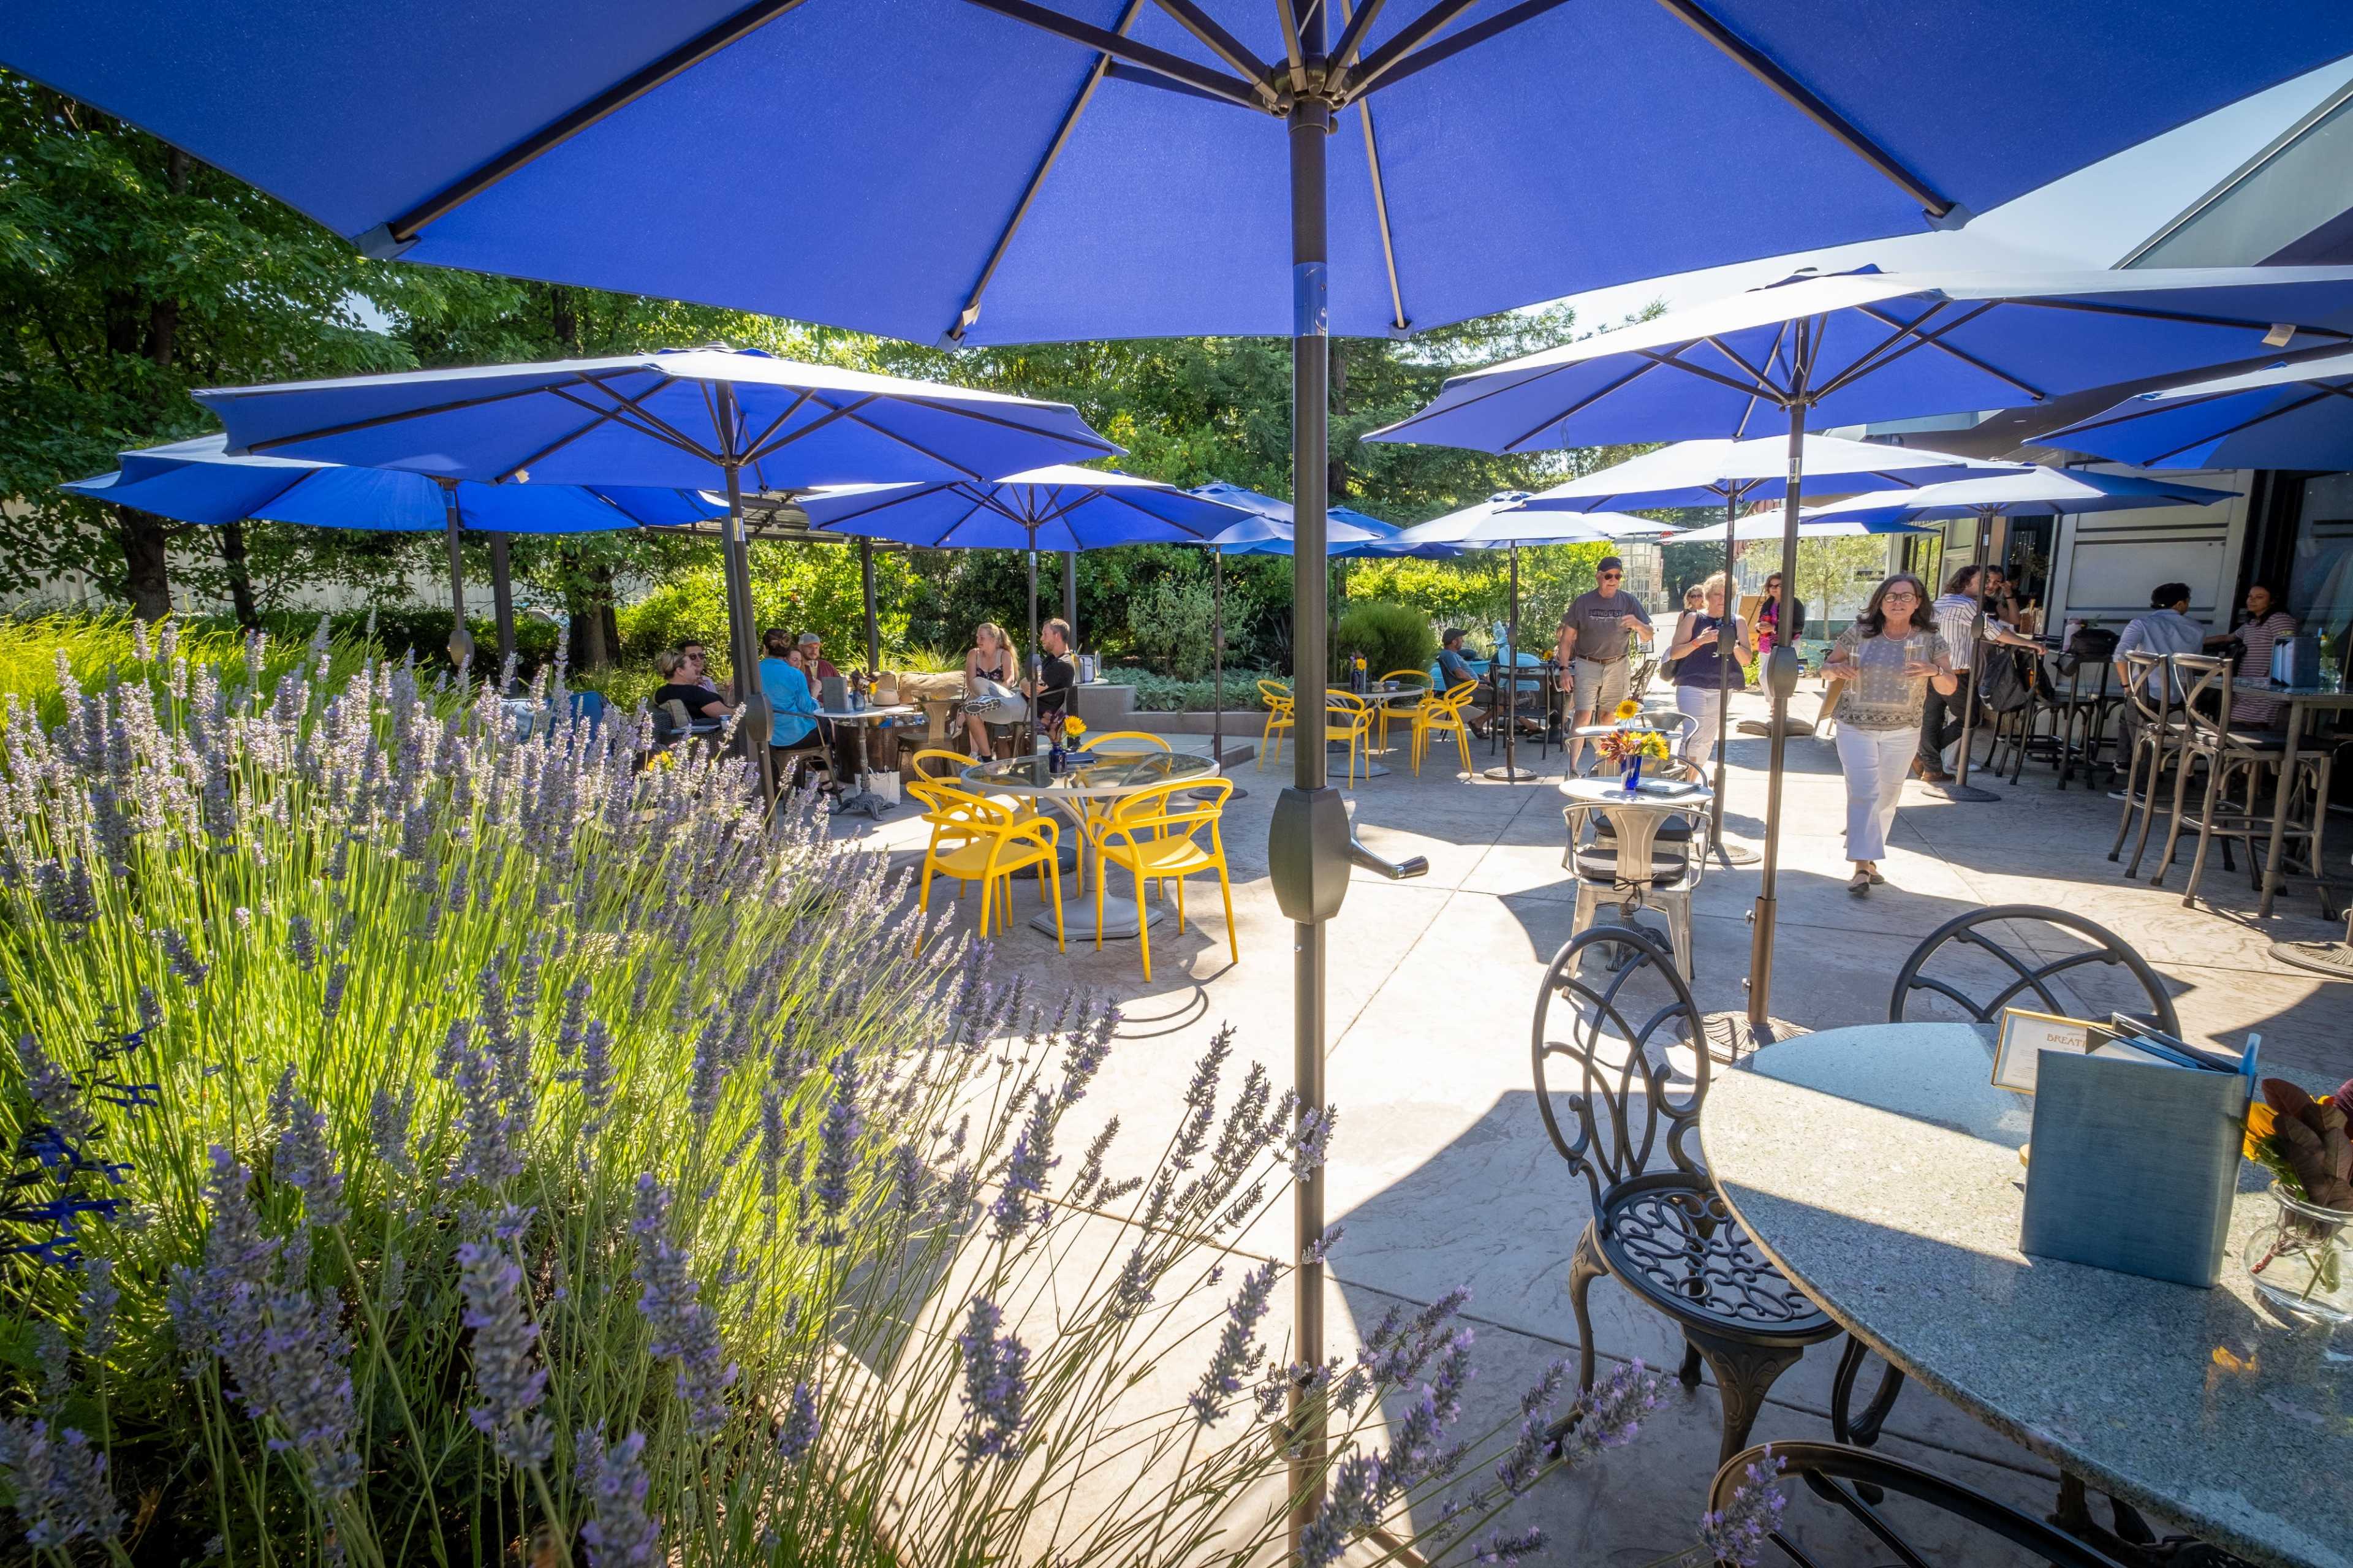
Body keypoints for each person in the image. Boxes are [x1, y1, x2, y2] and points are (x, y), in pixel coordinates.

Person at [1822, 573, 1955, 896]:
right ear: (1880, 602)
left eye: (1906, 596)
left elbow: (1949, 687)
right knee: (1863, 792)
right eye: (1891, 596)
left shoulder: (1931, 640)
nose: (1898, 602)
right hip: (1856, 724)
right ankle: (1861, 866)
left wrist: (1935, 671)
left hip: (1903, 728)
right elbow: (1826, 668)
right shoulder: (1859, 633)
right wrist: (1835, 670)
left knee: (1888, 797)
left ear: (1918, 603)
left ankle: (1869, 859)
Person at [1915, 564, 2038, 782]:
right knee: (1970, 718)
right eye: (1982, 581)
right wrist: (2030, 644)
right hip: (1956, 672)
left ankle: (1932, 768)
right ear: (1965, 582)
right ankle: (1925, 757)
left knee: (1933, 718)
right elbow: (1996, 632)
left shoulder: (1940, 602)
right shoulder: (1967, 605)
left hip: (1933, 670)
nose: (1987, 586)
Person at [1558, 556, 1654, 773]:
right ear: (1598, 577)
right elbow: (1566, 639)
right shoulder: (1583, 602)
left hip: (1618, 664)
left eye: (1618, 576)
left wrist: (1638, 625)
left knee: (1609, 716)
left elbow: (1649, 634)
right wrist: (1564, 669)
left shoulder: (1629, 601)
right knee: (1583, 714)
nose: (1613, 580)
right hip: (1587, 663)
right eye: (1609, 576)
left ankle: (1603, 768)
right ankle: (1572, 768)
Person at [1667, 574, 1751, 770]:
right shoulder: (1694, 618)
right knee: (1694, 734)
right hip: (1692, 684)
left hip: (1722, 686)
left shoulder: (1738, 621)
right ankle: (1684, 781)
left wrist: (1732, 644)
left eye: (1727, 595)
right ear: (1708, 596)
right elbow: (1675, 653)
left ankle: (1692, 780)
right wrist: (1700, 641)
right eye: (1717, 595)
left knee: (1707, 740)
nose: (1722, 600)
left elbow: (1746, 660)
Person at [2213, 581, 2297, 726]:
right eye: (2250, 596)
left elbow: (2288, 650)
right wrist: (2196, 640)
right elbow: (2229, 638)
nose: (2251, 600)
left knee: (2248, 726)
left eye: (2259, 597)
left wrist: (2272, 679)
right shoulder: (2252, 623)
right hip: (2247, 686)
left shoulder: (2280, 619)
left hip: (2264, 689)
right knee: (2233, 723)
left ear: (2273, 601)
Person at [2112, 583, 2208, 704]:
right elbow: (2194, 664)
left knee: (2132, 715)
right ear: (2179, 604)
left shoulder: (2141, 624)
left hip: (2144, 691)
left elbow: (2121, 655)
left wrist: (2126, 686)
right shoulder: (2197, 628)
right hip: (2179, 695)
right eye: (2188, 602)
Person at [757, 630, 828, 790]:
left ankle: (824, 781)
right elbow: (807, 709)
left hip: (762, 734)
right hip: (791, 736)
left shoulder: (753, 671)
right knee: (824, 725)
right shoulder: (795, 674)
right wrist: (815, 695)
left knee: (820, 726)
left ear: (765, 648)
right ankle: (825, 780)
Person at [960, 621, 1021, 759]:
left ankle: (974, 751)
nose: (978, 641)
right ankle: (978, 754)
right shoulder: (974, 654)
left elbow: (1009, 681)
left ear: (993, 639)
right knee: (974, 704)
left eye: (982, 638)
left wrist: (994, 695)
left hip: (1000, 696)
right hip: (977, 695)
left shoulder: (1004, 655)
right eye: (977, 637)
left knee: (971, 706)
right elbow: (971, 683)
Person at [1751, 572, 1806, 688]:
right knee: (1765, 678)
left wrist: (1774, 628)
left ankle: (1777, 699)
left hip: (1786, 644)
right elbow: (1760, 621)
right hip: (1766, 643)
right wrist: (1759, 627)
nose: (1774, 588)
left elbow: (1798, 626)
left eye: (1778, 586)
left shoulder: (1795, 603)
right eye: (1771, 586)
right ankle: (1772, 700)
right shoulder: (1768, 603)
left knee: (1767, 678)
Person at [654, 648, 734, 725]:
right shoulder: (695, 693)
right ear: (680, 671)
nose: (695, 668)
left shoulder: (659, 694)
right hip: (713, 732)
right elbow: (728, 715)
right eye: (691, 665)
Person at [1436, 627, 1490, 735]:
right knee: (1503, 698)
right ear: (1454, 642)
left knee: (1505, 698)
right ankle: (1478, 723)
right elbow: (1460, 674)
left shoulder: (1451, 654)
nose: (1463, 641)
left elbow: (1463, 673)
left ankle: (1479, 722)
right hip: (1468, 691)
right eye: (1461, 638)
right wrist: (1477, 684)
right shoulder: (1449, 655)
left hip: (1470, 688)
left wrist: (1481, 678)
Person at [1029, 617, 1077, 735]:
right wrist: (1028, 682)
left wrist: (1026, 682)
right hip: (1029, 705)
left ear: (1057, 635)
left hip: (1032, 709)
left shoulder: (1062, 664)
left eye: (1045, 634)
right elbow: (1032, 681)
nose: (1042, 638)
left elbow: (1035, 687)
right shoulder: (1052, 658)